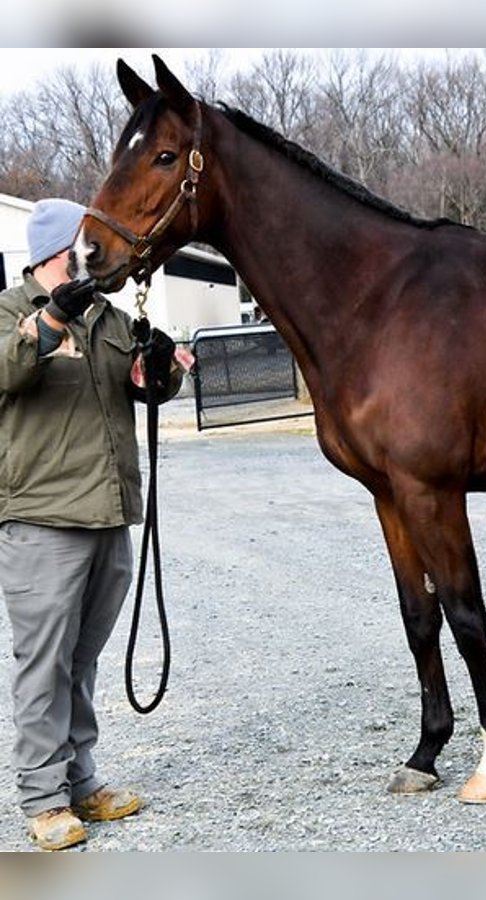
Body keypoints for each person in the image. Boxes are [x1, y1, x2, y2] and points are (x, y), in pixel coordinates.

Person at [0, 198, 184, 851]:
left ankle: (81, 782)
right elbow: (7, 371)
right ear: (61, 248)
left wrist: (158, 371)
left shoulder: (107, 315)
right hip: (42, 517)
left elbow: (135, 386)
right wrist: (51, 318)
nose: (103, 250)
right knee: (43, 662)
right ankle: (43, 799)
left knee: (80, 660)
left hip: (108, 514)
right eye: (89, 241)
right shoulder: (9, 310)